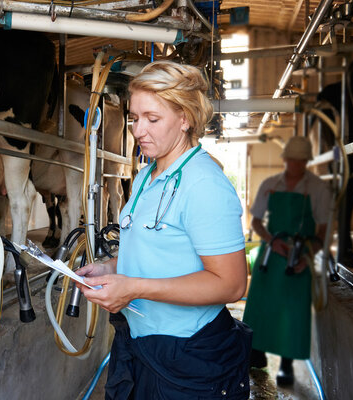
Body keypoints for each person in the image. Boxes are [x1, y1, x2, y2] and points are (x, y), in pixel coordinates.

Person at [76, 60, 251, 400]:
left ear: (185, 119)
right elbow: (158, 250)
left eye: (152, 119)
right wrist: (111, 269)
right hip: (141, 344)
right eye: (134, 118)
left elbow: (231, 284)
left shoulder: (204, 184)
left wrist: (133, 287)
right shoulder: (145, 177)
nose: (138, 131)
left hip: (190, 356)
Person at [242, 136, 331, 385]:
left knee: (293, 314)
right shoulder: (271, 184)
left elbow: (322, 231)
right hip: (271, 256)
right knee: (260, 308)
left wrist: (307, 256)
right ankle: (255, 354)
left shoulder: (317, 189)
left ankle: (287, 365)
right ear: (285, 160)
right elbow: (257, 221)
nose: (294, 165)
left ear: (305, 161)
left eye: (299, 161)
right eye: (291, 159)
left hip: (298, 256)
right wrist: (271, 240)